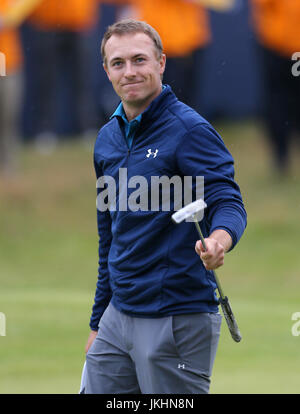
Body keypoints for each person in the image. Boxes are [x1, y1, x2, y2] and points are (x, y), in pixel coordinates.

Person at [84, 19, 247, 394]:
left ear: (161, 63)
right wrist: (98, 322)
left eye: (140, 60)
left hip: (177, 313)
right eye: (119, 63)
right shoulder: (107, 138)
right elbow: (109, 236)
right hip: (118, 314)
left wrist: (220, 240)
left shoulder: (189, 130)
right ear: (106, 71)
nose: (130, 71)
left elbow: (227, 200)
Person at [250, 0, 300, 174]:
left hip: (285, 44)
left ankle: (282, 156)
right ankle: (281, 156)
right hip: (278, 44)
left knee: (282, 100)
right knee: (278, 101)